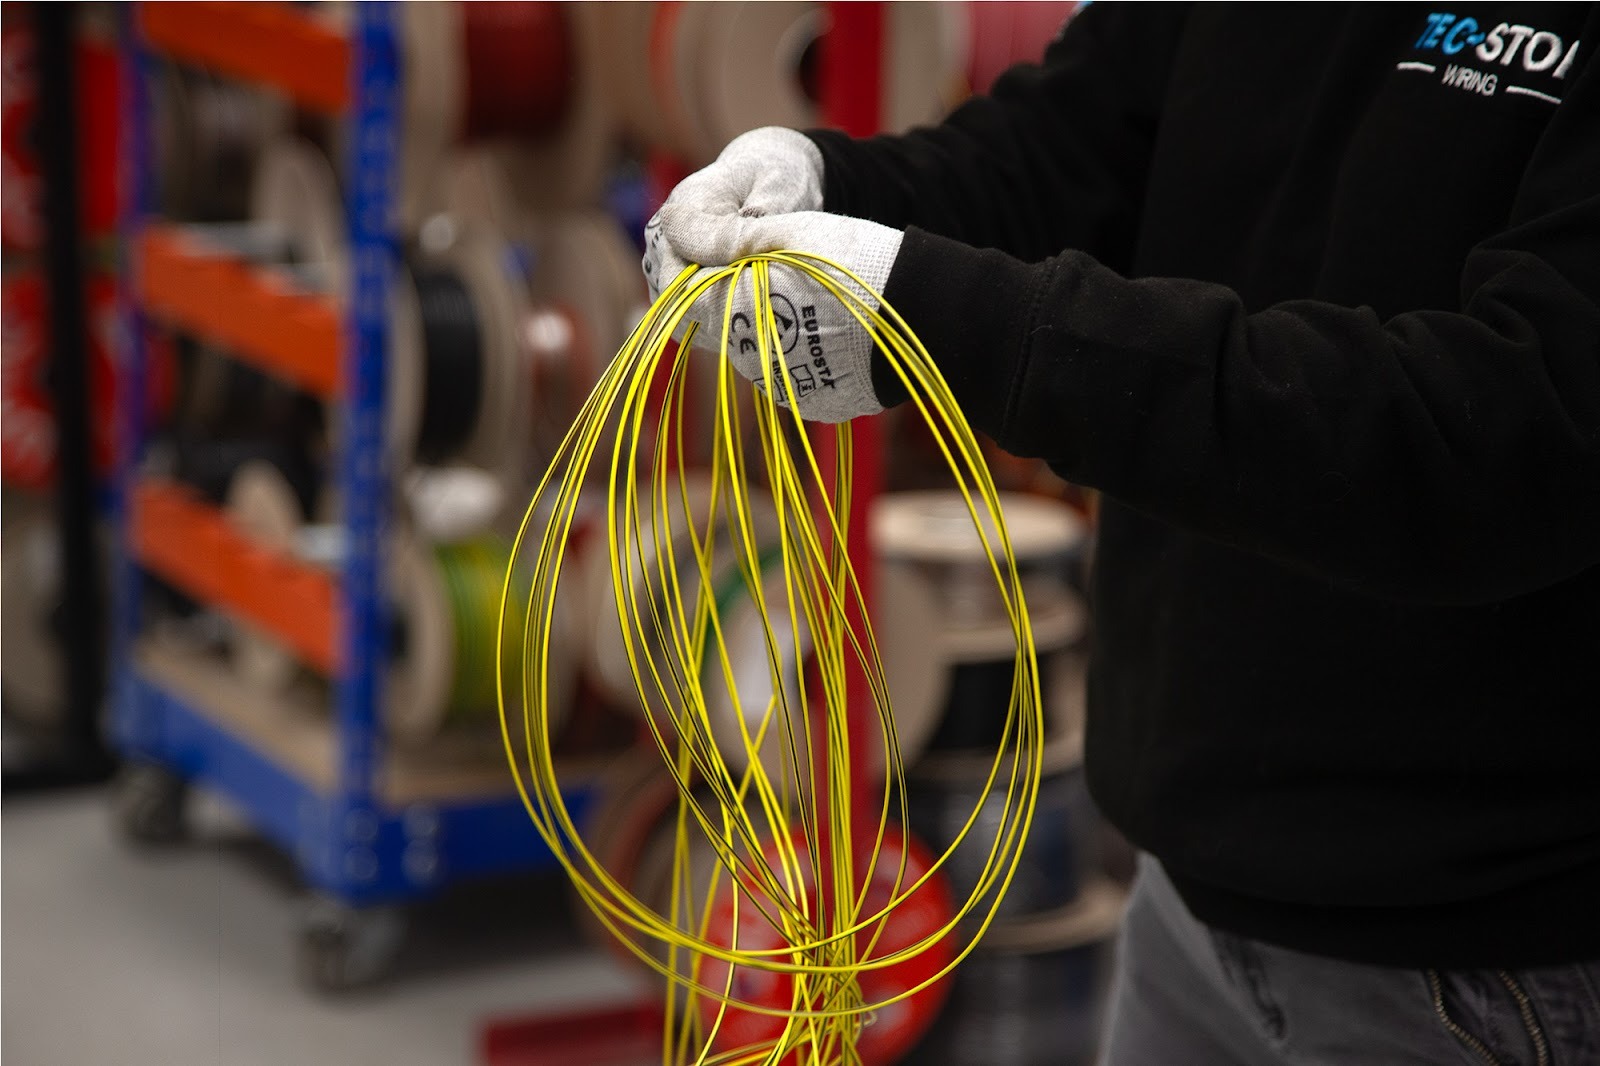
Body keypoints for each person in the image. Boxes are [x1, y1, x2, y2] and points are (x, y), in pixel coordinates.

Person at [644, 4, 1600, 1063]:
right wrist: (828, 186)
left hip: (1480, 965)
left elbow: (1511, 441)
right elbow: (1065, 144)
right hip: (1186, 909)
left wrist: (950, 321)